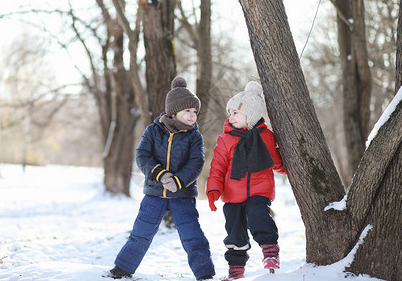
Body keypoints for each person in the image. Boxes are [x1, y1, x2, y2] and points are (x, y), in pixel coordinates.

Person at [107, 77, 215, 280]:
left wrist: (178, 181)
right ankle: (122, 269)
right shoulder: (154, 130)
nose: (193, 116)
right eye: (187, 111)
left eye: (194, 112)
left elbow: (196, 163)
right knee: (141, 232)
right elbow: (142, 155)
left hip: (182, 195)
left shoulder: (194, 137)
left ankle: (205, 273)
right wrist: (161, 174)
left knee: (192, 235)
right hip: (154, 193)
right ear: (174, 111)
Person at [206, 81, 287, 279]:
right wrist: (213, 190)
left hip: (260, 191)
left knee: (258, 213)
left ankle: (270, 252)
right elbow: (217, 167)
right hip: (232, 194)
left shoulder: (266, 137)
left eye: (236, 113)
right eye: (230, 112)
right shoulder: (225, 140)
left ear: (249, 116)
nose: (231, 117)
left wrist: (291, 172)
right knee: (234, 231)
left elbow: (275, 160)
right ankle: (235, 270)